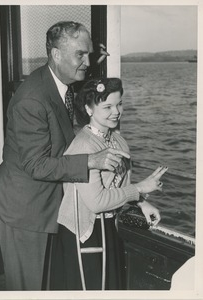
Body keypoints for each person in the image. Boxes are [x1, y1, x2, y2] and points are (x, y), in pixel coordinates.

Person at [0, 21, 129, 291]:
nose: (87, 62)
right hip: (25, 210)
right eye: (80, 54)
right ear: (55, 55)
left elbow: (62, 133)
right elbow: (36, 164)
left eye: (88, 53)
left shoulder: (62, 86)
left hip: (48, 205)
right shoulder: (32, 98)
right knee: (27, 289)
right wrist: (91, 160)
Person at [50, 77, 168, 290]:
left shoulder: (118, 140)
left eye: (119, 103)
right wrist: (141, 188)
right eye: (107, 106)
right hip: (84, 231)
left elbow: (120, 186)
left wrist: (142, 202)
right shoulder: (83, 146)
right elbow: (97, 202)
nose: (116, 111)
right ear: (88, 109)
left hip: (108, 226)